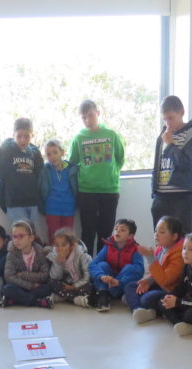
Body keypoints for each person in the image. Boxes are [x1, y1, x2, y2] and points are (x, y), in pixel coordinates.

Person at [69, 100, 126, 256]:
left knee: (106, 232)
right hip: (87, 191)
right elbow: (72, 163)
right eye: (84, 117)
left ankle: (102, 267)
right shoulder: (78, 138)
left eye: (90, 115)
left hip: (110, 190)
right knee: (88, 232)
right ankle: (86, 267)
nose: (88, 120)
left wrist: (110, 173)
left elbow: (120, 158)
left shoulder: (111, 135)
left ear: (98, 113)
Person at [0, 117, 44, 239]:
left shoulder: (35, 153)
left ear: (32, 135)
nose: (23, 140)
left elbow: (40, 175)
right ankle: (17, 258)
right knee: (20, 235)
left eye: (27, 136)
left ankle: (31, 258)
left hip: (32, 201)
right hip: (14, 202)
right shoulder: (4, 151)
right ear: (13, 135)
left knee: (31, 234)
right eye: (19, 136)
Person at [151, 95, 192, 234]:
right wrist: (154, 190)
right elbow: (157, 165)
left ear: (181, 112)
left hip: (181, 195)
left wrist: (170, 144)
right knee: (161, 238)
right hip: (160, 196)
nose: (167, 123)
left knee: (180, 238)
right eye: (164, 119)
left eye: (171, 118)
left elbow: (186, 164)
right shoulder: (163, 135)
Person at [127, 216, 185, 324]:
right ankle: (138, 309)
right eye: (155, 231)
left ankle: (142, 306)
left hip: (169, 290)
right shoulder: (161, 247)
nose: (156, 235)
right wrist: (148, 280)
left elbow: (166, 280)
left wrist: (150, 259)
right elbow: (157, 272)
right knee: (130, 286)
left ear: (174, 236)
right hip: (159, 283)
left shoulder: (180, 254)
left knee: (146, 298)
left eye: (162, 232)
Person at [89, 218, 145, 312]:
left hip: (122, 282)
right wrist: (102, 276)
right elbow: (93, 264)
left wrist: (119, 281)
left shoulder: (136, 249)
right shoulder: (108, 246)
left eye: (122, 230)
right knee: (102, 265)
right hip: (108, 280)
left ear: (130, 236)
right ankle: (103, 294)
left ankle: (110, 293)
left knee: (131, 268)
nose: (117, 231)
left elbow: (139, 270)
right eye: (116, 229)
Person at [3, 220, 54, 308]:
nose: (17, 240)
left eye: (21, 236)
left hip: (36, 287)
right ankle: (38, 302)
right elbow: (9, 276)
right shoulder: (12, 254)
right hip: (20, 286)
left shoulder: (39, 252)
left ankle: (16, 300)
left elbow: (45, 274)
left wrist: (23, 275)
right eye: (14, 236)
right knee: (7, 289)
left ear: (31, 238)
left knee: (48, 288)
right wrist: (30, 285)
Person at [38, 139, 78, 238]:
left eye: (55, 152)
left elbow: (76, 187)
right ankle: (53, 254)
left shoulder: (72, 169)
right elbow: (40, 189)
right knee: (54, 238)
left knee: (68, 238)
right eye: (49, 154)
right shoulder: (45, 170)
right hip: (52, 209)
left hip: (69, 208)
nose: (52, 156)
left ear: (62, 152)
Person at [46, 228, 92, 306]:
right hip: (66, 284)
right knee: (51, 283)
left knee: (90, 287)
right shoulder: (54, 254)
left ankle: (64, 297)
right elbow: (55, 277)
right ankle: (75, 299)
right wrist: (58, 263)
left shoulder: (82, 256)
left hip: (79, 284)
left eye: (64, 245)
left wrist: (74, 286)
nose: (60, 248)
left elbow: (87, 277)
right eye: (57, 245)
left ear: (72, 245)